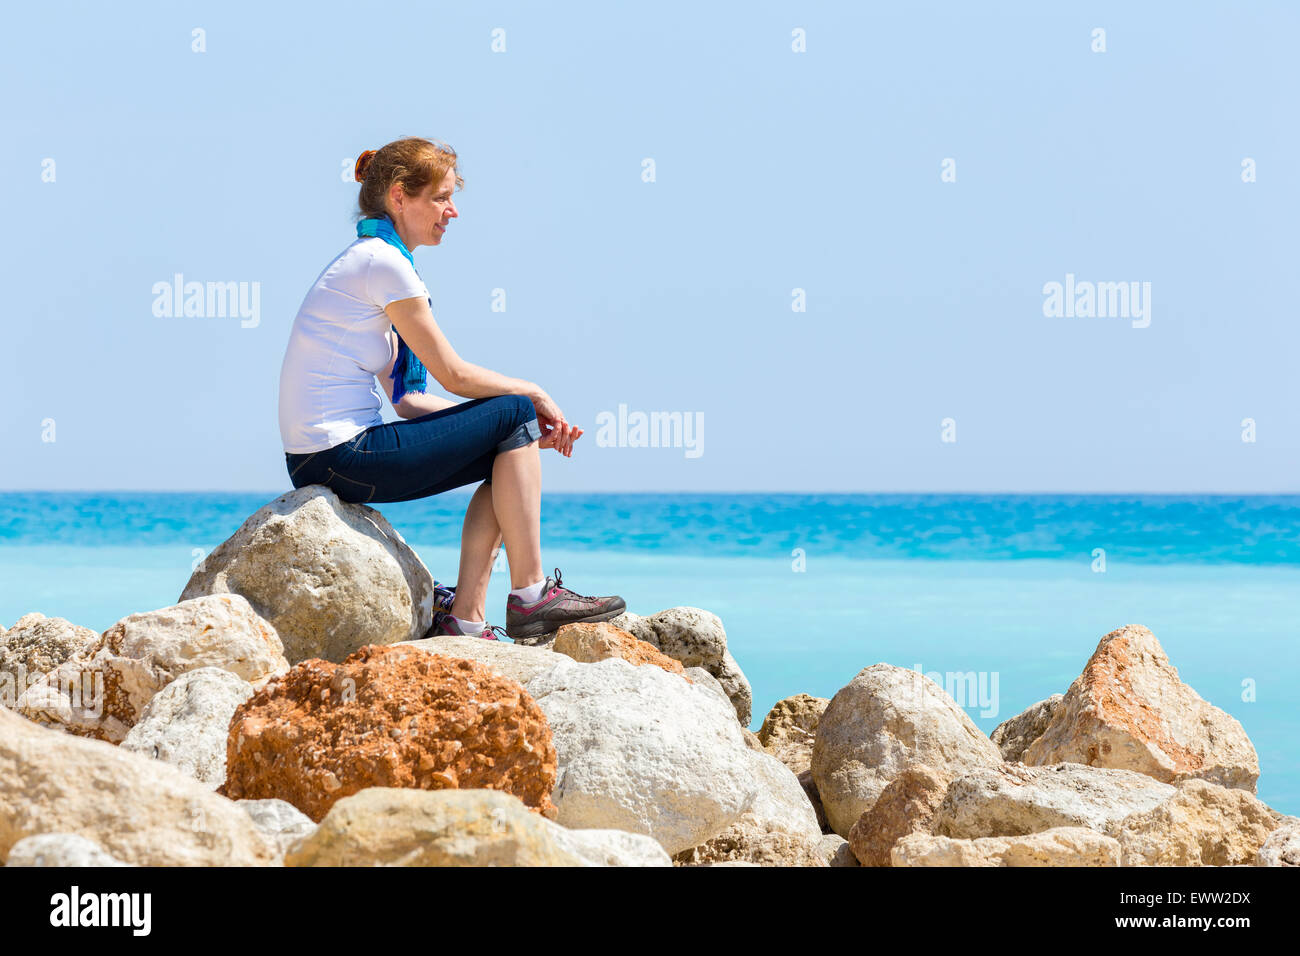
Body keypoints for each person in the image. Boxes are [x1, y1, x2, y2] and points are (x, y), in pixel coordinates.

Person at [277, 136, 625, 642]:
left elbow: (409, 399)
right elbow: (454, 376)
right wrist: (533, 394)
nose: (452, 211)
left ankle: (465, 620)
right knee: (511, 412)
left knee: (507, 440)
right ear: (400, 197)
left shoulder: (380, 261)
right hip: (339, 453)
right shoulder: (382, 264)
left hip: (323, 457)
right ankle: (531, 597)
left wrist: (520, 437)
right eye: (440, 198)